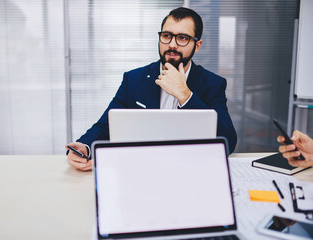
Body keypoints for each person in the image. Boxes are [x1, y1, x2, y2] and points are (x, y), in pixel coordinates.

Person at [66, 7, 237, 171]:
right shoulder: (133, 79)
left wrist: (184, 94)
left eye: (183, 38)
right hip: (141, 168)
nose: (172, 45)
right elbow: (105, 126)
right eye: (167, 36)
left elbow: (227, 141)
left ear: (197, 45)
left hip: (190, 169)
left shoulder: (212, 84)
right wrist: (85, 147)